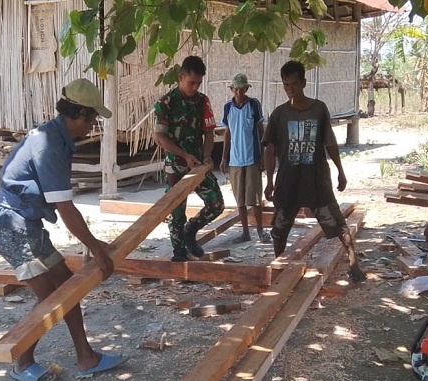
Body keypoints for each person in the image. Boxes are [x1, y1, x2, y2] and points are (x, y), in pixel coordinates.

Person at [0, 78, 128, 381]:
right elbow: (66, 209)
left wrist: (95, 244)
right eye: (91, 118)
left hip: (27, 226)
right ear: (77, 114)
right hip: (12, 229)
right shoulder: (49, 145)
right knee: (50, 299)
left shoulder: (55, 136)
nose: (93, 125)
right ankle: (22, 363)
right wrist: (97, 249)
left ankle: (86, 357)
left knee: (67, 289)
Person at [262, 61, 366, 282]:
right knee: (279, 228)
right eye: (286, 85)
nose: (290, 89)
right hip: (288, 181)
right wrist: (269, 181)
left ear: (303, 83)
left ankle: (354, 264)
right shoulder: (279, 115)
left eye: (294, 84)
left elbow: (330, 142)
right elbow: (269, 150)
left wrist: (340, 170)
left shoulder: (319, 109)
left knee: (337, 223)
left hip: (316, 180)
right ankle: (280, 268)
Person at [154, 55, 225, 261]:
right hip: (176, 165)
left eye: (198, 83)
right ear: (181, 77)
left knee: (216, 204)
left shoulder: (203, 101)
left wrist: (207, 156)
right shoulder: (165, 103)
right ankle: (179, 253)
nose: (195, 87)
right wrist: (184, 155)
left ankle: (190, 230)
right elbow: (159, 137)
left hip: (199, 164)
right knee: (176, 210)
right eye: (191, 82)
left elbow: (209, 132)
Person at [219, 73, 271, 244]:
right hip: (235, 160)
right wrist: (224, 158)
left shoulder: (254, 105)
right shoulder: (228, 107)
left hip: (252, 158)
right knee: (239, 200)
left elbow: (260, 130)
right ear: (232, 90)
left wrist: (263, 156)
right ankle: (245, 232)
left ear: (247, 89)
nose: (239, 92)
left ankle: (261, 231)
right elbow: (228, 133)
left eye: (242, 89)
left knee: (255, 198)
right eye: (236, 89)